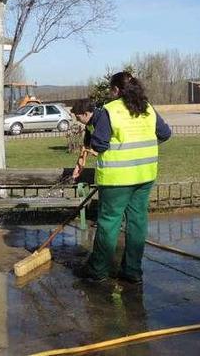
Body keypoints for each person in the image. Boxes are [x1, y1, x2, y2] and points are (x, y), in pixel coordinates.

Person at [75, 72, 172, 284]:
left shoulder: (109, 111)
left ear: (117, 90)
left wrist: (93, 134)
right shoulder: (147, 107)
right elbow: (164, 133)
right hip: (145, 175)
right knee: (137, 222)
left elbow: (100, 144)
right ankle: (132, 271)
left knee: (109, 223)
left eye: (111, 89)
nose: (110, 93)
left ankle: (98, 269)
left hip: (117, 179)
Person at [70, 99, 97, 181]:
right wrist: (78, 167)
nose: (77, 120)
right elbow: (86, 146)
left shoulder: (100, 122)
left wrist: (96, 152)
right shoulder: (89, 125)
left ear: (86, 114)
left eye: (78, 117)